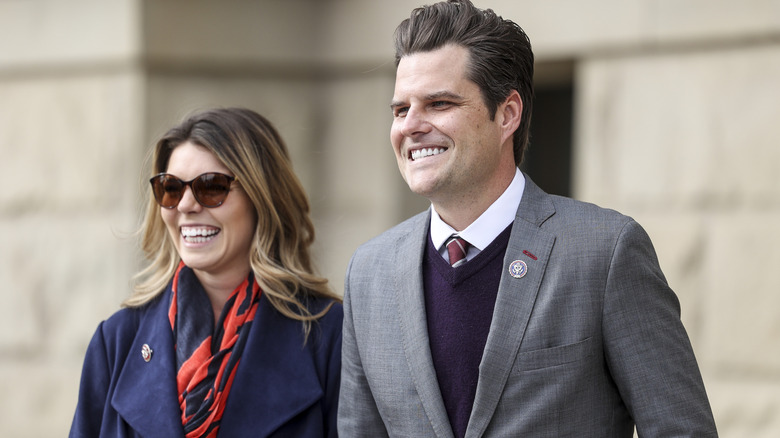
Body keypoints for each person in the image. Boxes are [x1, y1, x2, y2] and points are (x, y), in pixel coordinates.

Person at [338, 1, 718, 437]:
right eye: (401, 109)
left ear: (508, 114)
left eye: (439, 103)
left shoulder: (605, 252)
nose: (411, 125)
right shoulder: (368, 274)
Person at [70, 107, 342, 437]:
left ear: (262, 197)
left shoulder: (329, 337)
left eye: (211, 187)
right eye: (171, 188)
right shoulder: (116, 341)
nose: (185, 205)